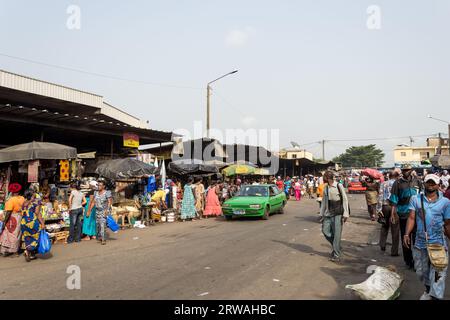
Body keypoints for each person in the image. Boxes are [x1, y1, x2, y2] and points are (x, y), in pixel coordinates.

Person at [403, 174, 450, 300]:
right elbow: (412, 217)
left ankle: (435, 296)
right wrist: (407, 234)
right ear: (424, 184)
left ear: (438, 185)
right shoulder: (415, 199)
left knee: (439, 271)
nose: (431, 185)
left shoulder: (445, 202)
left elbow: (447, 224)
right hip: (420, 242)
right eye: (428, 182)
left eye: (433, 183)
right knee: (421, 272)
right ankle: (429, 290)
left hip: (438, 242)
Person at [390, 164, 422, 269]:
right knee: (406, 238)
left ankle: (418, 261)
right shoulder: (397, 183)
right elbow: (394, 200)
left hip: (417, 215)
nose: (406, 172)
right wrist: (393, 214)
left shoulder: (417, 182)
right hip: (404, 214)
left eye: (408, 170)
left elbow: (422, 197)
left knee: (417, 239)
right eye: (404, 170)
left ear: (411, 170)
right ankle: (408, 261)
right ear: (402, 172)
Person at [320, 171, 350, 263]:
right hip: (328, 212)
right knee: (325, 231)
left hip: (338, 212)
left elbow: (345, 199)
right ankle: (336, 246)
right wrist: (321, 214)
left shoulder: (338, 186)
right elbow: (324, 201)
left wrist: (346, 214)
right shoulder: (326, 188)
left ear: (328, 178)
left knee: (337, 234)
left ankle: (337, 254)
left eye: (325, 177)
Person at [378, 170, 400, 256]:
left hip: (385, 206)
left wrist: (379, 209)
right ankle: (394, 251)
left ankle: (382, 245)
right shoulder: (398, 183)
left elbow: (380, 195)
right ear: (397, 176)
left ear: (389, 176)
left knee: (384, 226)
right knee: (395, 229)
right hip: (395, 207)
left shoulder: (383, 183)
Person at [0, 183, 25, 256]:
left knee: (8, 234)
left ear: (12, 191)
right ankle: (15, 251)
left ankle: (8, 250)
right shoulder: (22, 198)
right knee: (17, 234)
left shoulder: (11, 200)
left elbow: (8, 212)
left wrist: (4, 221)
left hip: (12, 217)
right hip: (20, 217)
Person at [21, 189, 45, 262]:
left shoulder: (24, 203)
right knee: (36, 238)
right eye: (34, 193)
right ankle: (28, 251)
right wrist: (42, 223)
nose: (35, 194)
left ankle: (30, 253)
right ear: (31, 195)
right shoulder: (36, 203)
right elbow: (38, 213)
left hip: (24, 223)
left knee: (27, 238)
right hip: (33, 223)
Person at [87, 180, 112, 245]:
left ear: (103, 186)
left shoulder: (107, 193)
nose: (98, 186)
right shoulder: (95, 192)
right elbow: (93, 202)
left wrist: (107, 210)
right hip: (97, 211)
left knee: (102, 225)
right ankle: (100, 236)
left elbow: (109, 201)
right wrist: (89, 210)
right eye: (98, 185)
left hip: (104, 211)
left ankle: (103, 239)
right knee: (98, 226)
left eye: (100, 185)